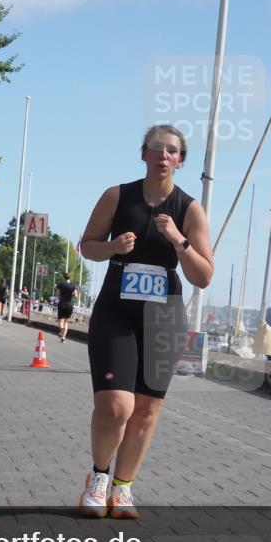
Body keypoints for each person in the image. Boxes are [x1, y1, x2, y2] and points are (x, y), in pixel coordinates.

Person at [77, 124, 213, 519]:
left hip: (164, 314)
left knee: (148, 409)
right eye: (156, 149)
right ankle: (99, 477)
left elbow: (203, 275)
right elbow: (87, 247)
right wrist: (113, 247)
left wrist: (179, 241)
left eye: (172, 151)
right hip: (116, 309)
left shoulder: (189, 209)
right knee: (117, 405)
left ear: (181, 161)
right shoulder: (117, 196)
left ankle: (123, 489)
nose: (163, 156)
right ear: (144, 154)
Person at [54, 272, 78, 342]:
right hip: (69, 304)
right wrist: (73, 294)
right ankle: (63, 338)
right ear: (70, 277)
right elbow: (76, 296)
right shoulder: (73, 285)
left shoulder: (61, 284)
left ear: (64, 277)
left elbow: (57, 294)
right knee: (66, 322)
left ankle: (61, 329)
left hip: (62, 303)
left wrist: (59, 295)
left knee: (60, 321)